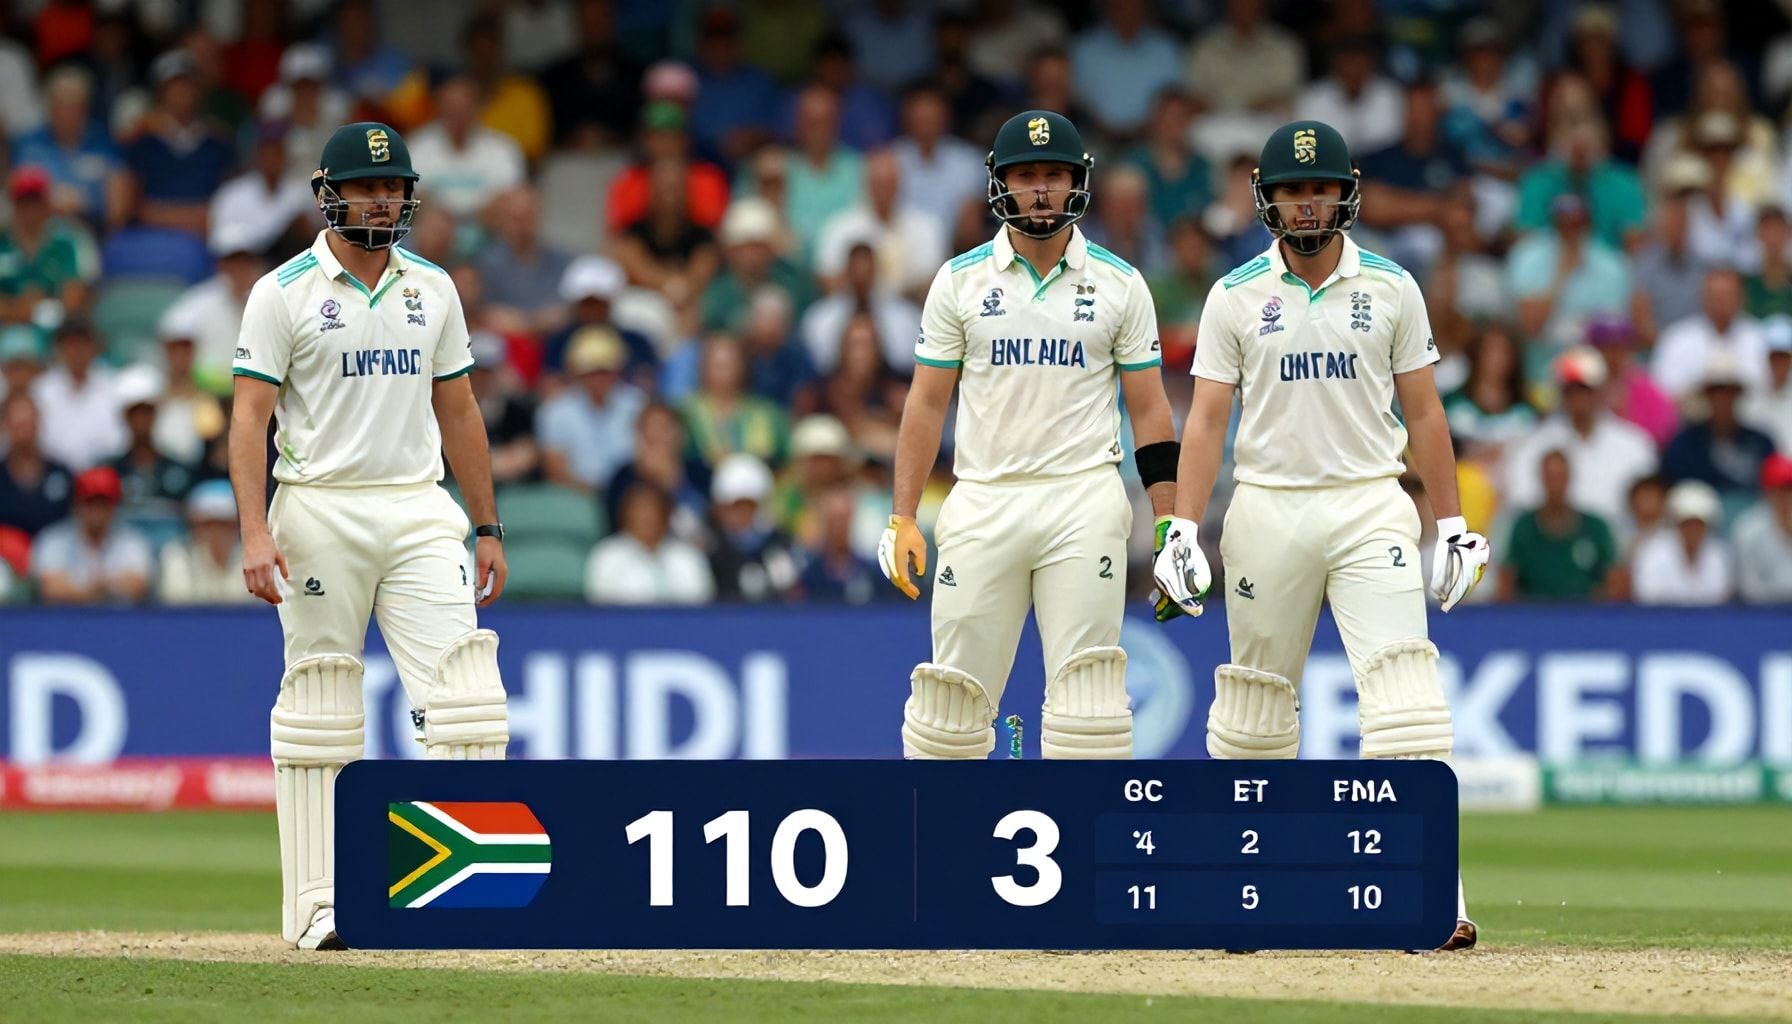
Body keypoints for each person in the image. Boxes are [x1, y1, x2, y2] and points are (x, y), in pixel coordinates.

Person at [1151, 120, 1485, 951]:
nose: (1308, 204)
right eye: (1294, 191)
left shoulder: (1392, 287)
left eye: (1321, 189)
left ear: (1346, 195)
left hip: (1371, 504)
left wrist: (1451, 524)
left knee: (1406, 700)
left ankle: (1432, 895)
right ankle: (1245, 891)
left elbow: (1425, 412)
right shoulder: (1234, 296)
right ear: (1268, 199)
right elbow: (1207, 423)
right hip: (1268, 508)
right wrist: (1183, 528)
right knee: (1255, 712)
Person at [229, 123, 512, 952]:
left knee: (465, 702)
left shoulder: (435, 287)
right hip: (319, 508)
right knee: (322, 706)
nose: (383, 201)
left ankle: (464, 895)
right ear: (331, 194)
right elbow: (248, 419)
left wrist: (487, 524)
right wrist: (254, 530)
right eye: (366, 188)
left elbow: (459, 410)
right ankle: (320, 905)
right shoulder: (282, 292)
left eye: (393, 188)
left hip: (421, 508)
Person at [879, 110, 1179, 765]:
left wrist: (1169, 525)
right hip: (984, 495)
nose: (1040, 189)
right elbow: (926, 404)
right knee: (951, 710)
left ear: (1077, 181)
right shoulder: (959, 281)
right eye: (1025, 175)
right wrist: (902, 515)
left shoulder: (1120, 283)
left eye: (1054, 174)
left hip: (1083, 499)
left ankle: (1080, 833)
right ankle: (947, 833)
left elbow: (1151, 409)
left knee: (1087, 709)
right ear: (1000, 183)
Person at [1499, 450, 1619, 602]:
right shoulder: (1524, 527)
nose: (1555, 485)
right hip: (1534, 612)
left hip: (1585, 612)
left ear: (1569, 478)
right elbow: (1506, 581)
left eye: (1560, 477)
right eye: (1550, 478)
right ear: (1541, 479)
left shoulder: (1596, 527)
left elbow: (1615, 582)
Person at [30, 466, 153, 603]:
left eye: (104, 503)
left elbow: (138, 586)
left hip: (117, 616)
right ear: (77, 504)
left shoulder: (132, 541)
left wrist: (82, 589)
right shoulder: (54, 540)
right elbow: (51, 589)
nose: (97, 511)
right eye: (90, 502)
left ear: (115, 505)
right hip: (67, 616)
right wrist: (101, 588)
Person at [583, 481, 714, 605]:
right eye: (639, 510)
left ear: (666, 514)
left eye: (653, 509)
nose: (647, 516)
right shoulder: (606, 556)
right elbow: (600, 609)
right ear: (624, 513)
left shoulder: (689, 556)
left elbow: (703, 607)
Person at [1631, 480, 1733, 605]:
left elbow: (1720, 598)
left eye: (1699, 524)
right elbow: (1649, 598)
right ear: (1676, 525)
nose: (1693, 530)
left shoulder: (1718, 555)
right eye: (1687, 524)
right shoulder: (1653, 552)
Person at [157, 479, 255, 604]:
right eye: (208, 525)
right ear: (194, 525)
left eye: (226, 525)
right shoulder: (176, 555)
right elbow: (177, 600)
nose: (217, 532)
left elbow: (257, 605)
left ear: (237, 525)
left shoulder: (253, 558)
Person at [1734, 454, 1792, 603]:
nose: (1787, 496)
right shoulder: (1748, 529)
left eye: (1790, 489)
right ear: (1767, 491)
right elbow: (1748, 588)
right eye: (1781, 489)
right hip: (1762, 612)